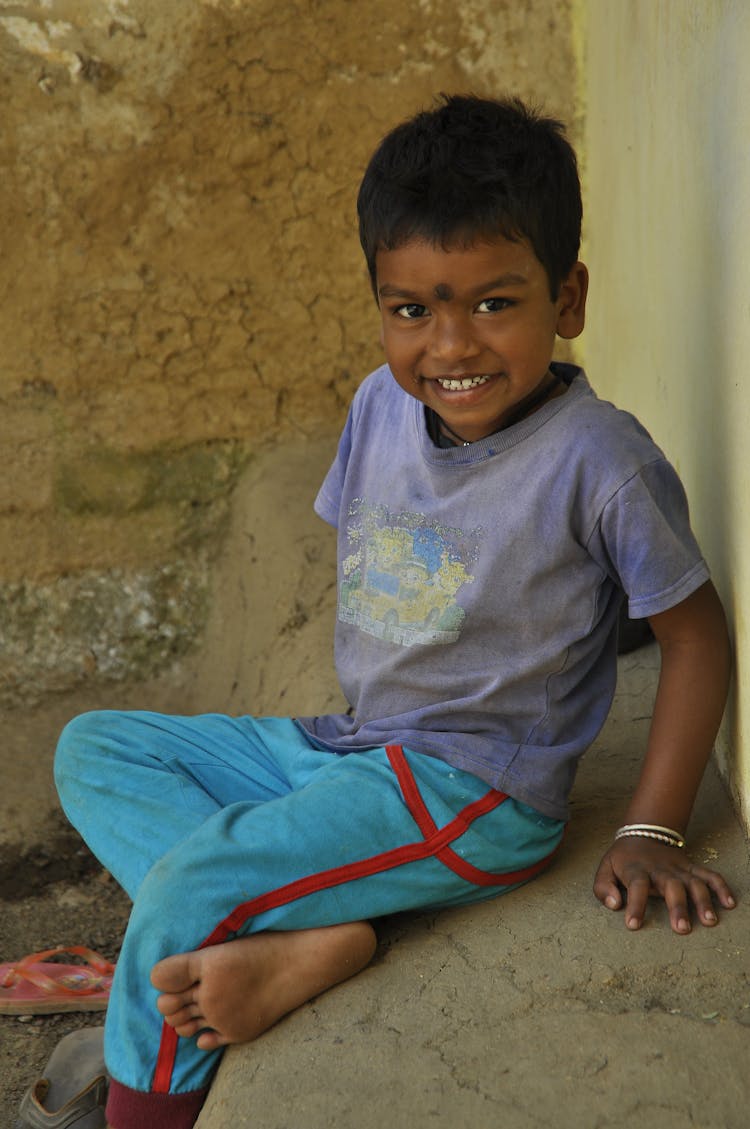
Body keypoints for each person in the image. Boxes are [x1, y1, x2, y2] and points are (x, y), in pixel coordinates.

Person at [52, 94, 734, 1129]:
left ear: (570, 294)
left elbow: (695, 636)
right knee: (96, 747)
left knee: (189, 884)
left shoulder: (601, 460)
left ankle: (157, 1091)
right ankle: (293, 935)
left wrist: (653, 827)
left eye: (494, 304)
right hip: (350, 745)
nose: (450, 343)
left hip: (472, 787)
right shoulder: (380, 404)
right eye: (412, 308)